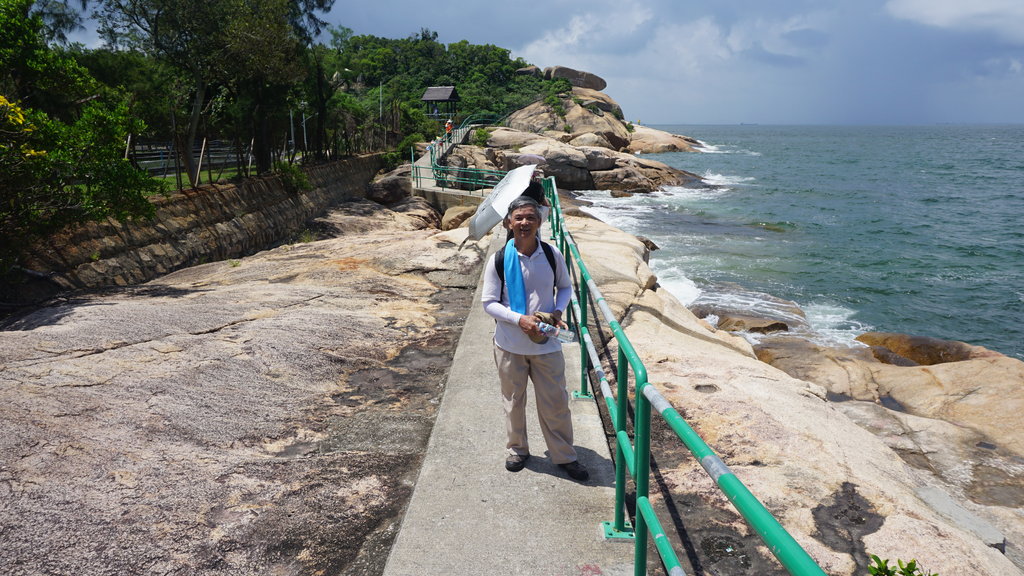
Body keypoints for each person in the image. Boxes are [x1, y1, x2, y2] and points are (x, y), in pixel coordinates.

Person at [481, 196, 589, 482]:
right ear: (508, 223)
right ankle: (518, 449)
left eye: (530, 217)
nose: (524, 222)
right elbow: (489, 303)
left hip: (547, 343)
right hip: (509, 344)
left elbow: (564, 287)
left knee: (556, 402)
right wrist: (520, 319)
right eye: (518, 218)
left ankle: (564, 455)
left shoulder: (552, 254)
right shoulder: (499, 260)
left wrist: (557, 311)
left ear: (539, 222)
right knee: (513, 401)